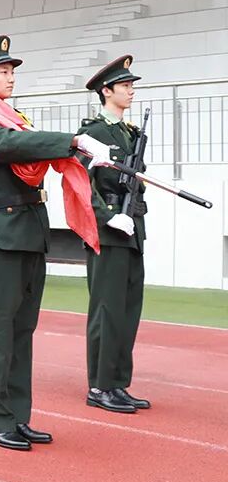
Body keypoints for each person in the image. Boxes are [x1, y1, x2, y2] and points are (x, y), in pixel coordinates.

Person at [0, 35, 113, 451]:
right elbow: (8, 147)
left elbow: (33, 146)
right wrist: (72, 140)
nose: (10, 78)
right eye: (3, 71)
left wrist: (82, 156)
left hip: (29, 229)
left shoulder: (19, 119)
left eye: (12, 71)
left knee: (22, 330)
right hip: (1, 232)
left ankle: (17, 415)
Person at [77, 56, 151, 415]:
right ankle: (99, 385)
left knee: (128, 309)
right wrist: (107, 218)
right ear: (106, 91)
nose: (131, 91)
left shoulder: (129, 133)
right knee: (106, 310)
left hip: (132, 227)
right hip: (107, 230)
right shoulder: (93, 132)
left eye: (131, 85)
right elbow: (81, 185)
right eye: (124, 86)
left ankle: (118, 383)